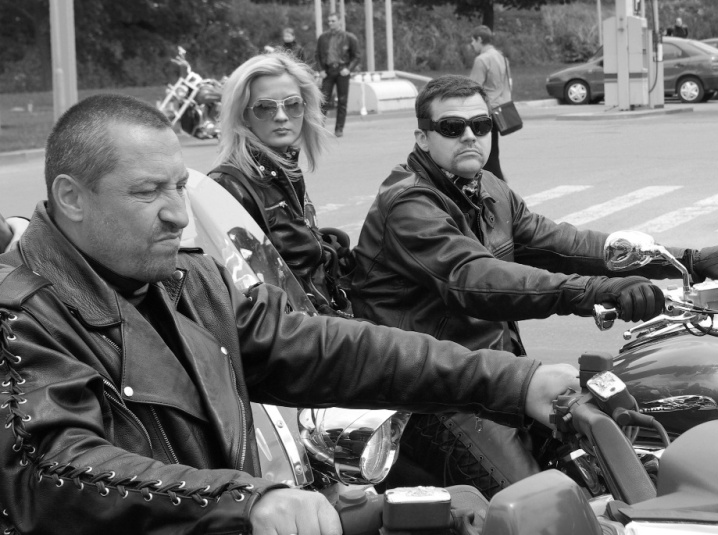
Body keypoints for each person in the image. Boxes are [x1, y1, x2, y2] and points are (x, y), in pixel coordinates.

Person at [0, 93, 579, 535]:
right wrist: (245, 502)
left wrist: (516, 380)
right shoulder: (19, 315)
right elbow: (52, 470)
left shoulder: (190, 281)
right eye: (149, 192)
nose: (179, 214)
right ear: (72, 197)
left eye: (179, 187)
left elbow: (330, 348)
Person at [348, 74, 718, 497]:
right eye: (451, 127)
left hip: (495, 374)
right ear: (423, 138)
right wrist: (597, 291)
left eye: (480, 125)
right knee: (540, 504)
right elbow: (477, 281)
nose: (469, 136)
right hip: (435, 391)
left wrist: (689, 260)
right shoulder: (409, 203)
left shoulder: (488, 189)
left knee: (603, 462)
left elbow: (566, 244)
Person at [209, 51, 351, 316]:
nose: (282, 116)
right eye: (265, 107)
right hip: (297, 331)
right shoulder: (229, 187)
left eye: (293, 104)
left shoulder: (286, 169)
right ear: (242, 115)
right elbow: (245, 300)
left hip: (321, 317)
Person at [469, 25, 510, 181]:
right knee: (493, 152)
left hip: (485, 111)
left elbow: (473, 87)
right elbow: (507, 85)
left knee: (484, 154)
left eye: (473, 40)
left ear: (479, 39)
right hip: (499, 109)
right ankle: (498, 183)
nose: (472, 44)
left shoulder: (482, 59)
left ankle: (498, 185)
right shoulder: (502, 57)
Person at [315, 12, 360, 137]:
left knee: (342, 100)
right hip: (328, 71)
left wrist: (349, 69)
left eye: (333, 21)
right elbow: (317, 55)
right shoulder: (323, 37)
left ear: (339, 21)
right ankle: (319, 128)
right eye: (329, 21)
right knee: (323, 100)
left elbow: (357, 56)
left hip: (342, 71)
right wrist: (321, 70)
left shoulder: (349, 37)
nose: (330, 23)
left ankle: (339, 128)